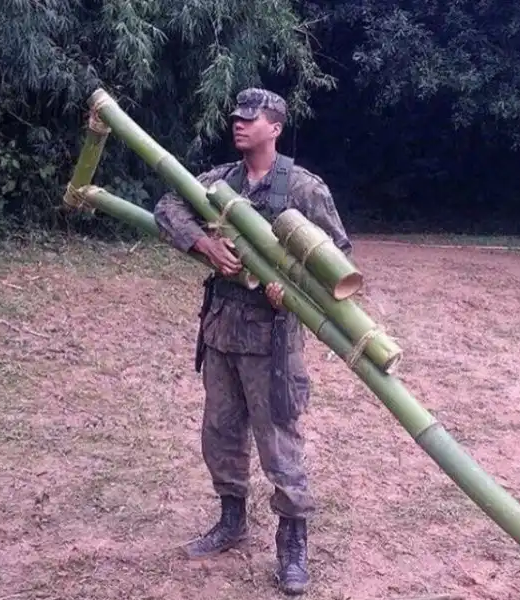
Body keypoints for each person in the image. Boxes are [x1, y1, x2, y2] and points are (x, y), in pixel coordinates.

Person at [153, 88, 352, 595]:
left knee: (279, 443)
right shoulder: (219, 181)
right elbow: (168, 206)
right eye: (236, 117)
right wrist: (204, 243)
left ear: (275, 128)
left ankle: (293, 543)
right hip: (221, 331)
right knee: (220, 433)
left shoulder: (303, 188)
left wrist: (294, 288)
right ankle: (231, 520)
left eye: (250, 118)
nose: (238, 124)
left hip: (273, 339)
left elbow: (338, 259)